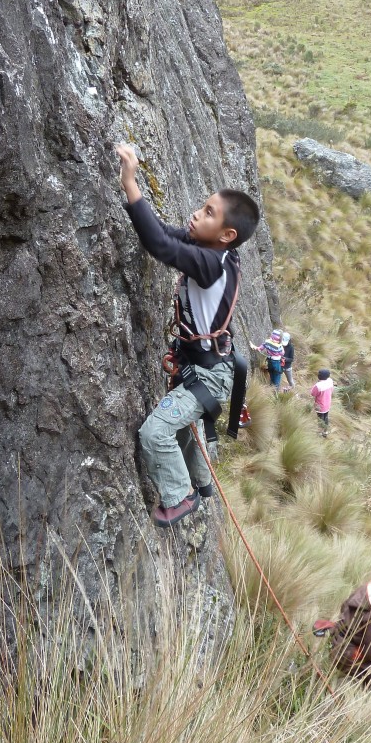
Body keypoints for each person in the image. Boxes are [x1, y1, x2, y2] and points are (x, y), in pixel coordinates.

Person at [115, 142, 260, 527]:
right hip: (208, 367)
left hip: (209, 374)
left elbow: (159, 245)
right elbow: (166, 233)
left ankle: (181, 497)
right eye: (202, 206)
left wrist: (130, 183)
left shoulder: (211, 264)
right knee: (185, 425)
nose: (196, 215)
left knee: (155, 434)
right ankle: (202, 480)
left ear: (227, 234)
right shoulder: (215, 250)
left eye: (208, 213)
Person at [310, 368, 335, 434]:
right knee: (326, 417)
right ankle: (325, 431)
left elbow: (313, 393)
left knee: (320, 419)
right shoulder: (330, 381)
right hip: (328, 403)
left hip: (320, 406)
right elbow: (332, 390)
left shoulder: (318, 385)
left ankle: (320, 432)